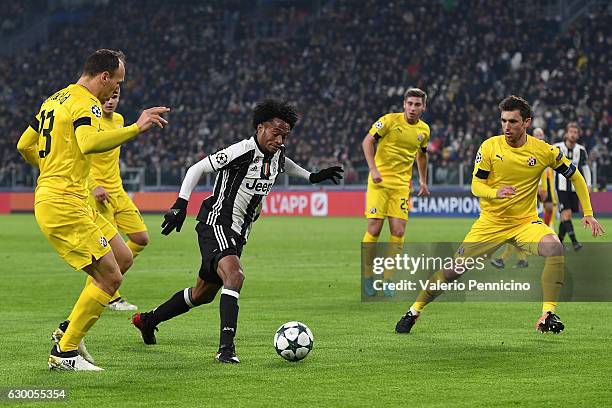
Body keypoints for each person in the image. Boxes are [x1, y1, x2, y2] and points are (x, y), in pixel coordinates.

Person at [131, 99, 343, 363]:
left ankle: (148, 320)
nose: (280, 139)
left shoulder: (276, 153)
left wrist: (312, 176)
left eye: (285, 135)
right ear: (260, 127)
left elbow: (285, 164)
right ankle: (226, 350)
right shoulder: (242, 151)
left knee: (201, 295)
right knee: (235, 276)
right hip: (217, 223)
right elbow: (197, 168)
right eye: (276, 133)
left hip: (239, 232)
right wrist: (181, 203)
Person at [394, 96, 603, 335]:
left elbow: (575, 176)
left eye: (513, 121)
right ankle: (414, 310)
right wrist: (495, 192)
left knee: (555, 247)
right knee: (453, 271)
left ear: (526, 122)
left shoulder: (544, 151)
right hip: (490, 224)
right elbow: (476, 185)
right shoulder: (490, 147)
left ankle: (547, 314)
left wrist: (588, 213)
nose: (506, 127)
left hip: (525, 223)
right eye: (503, 121)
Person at [16, 49, 169, 371]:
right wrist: (136, 128)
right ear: (104, 77)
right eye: (117, 81)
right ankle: (65, 353)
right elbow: (87, 143)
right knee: (111, 277)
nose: (116, 89)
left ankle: (68, 330)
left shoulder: (54, 100)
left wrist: (50, 167)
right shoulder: (87, 103)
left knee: (123, 258)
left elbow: (24, 145)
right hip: (63, 202)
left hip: (73, 199)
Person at [361, 88, 430, 296]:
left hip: (401, 185)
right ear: (404, 104)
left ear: (423, 107)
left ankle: (389, 279)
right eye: (410, 103)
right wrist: (373, 168)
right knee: (374, 229)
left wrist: (423, 181)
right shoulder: (389, 121)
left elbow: (422, 155)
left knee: (398, 231)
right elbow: (367, 141)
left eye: (417, 104)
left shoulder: (424, 130)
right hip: (379, 182)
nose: (413, 108)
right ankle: (367, 275)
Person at [84, 87, 148, 312]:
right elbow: (81, 155)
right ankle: (109, 293)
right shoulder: (90, 121)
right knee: (106, 250)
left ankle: (104, 284)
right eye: (108, 97)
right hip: (98, 192)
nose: (110, 101)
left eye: (115, 97)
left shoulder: (119, 120)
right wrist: (93, 186)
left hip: (117, 190)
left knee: (140, 238)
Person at [490, 127, 555, 269]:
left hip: (535, 192)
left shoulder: (543, 150)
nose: (538, 136)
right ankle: (520, 259)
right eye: (536, 134)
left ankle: (506, 259)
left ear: (544, 136)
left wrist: (542, 187)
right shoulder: (529, 148)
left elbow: (542, 171)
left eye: (540, 134)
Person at [554, 122, 591, 251]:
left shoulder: (581, 150)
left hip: (574, 189)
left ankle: (558, 243)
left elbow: (585, 167)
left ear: (578, 135)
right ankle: (575, 242)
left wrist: (589, 184)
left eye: (576, 132)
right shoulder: (557, 147)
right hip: (561, 187)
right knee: (566, 214)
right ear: (566, 133)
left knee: (567, 216)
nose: (573, 134)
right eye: (571, 132)